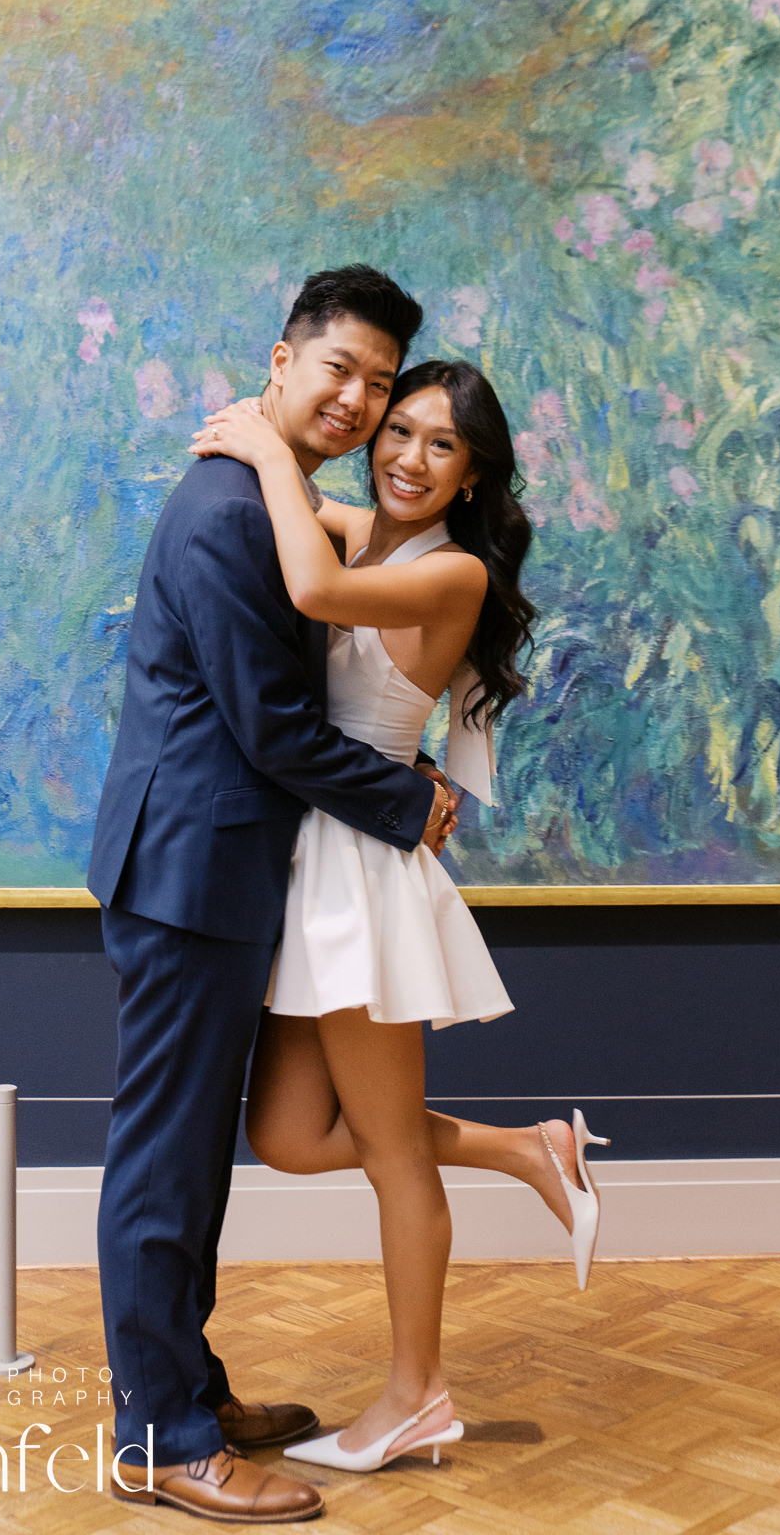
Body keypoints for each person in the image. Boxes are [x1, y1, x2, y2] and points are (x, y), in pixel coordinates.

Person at [88, 267, 459, 1525]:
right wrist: (409, 801)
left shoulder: (271, 491)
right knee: (166, 1158)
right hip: (190, 867)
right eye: (337, 369)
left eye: (378, 380)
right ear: (281, 359)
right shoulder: (228, 510)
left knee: (193, 1155)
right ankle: (160, 1436)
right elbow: (270, 723)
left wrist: (271, 451)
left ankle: (187, 1384)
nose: (358, 399)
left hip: (221, 864)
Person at [193, 356, 609, 1477]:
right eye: (399, 430)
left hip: (363, 863)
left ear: (472, 477)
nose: (407, 456)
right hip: (316, 845)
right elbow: (321, 528)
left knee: (389, 1155)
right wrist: (268, 451)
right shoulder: (364, 526)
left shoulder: (454, 572)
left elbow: (319, 597)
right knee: (285, 1134)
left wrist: (270, 447)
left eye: (440, 445)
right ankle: (529, 1147)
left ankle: (415, 1392)